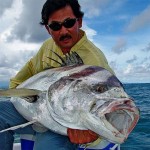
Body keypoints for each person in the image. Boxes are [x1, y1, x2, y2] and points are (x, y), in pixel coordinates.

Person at [0, 0, 114, 150]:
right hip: (37, 112)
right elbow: (31, 66)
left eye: (69, 22)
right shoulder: (48, 46)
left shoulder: (95, 61)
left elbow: (107, 108)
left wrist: (92, 135)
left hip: (63, 123)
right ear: (48, 29)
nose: (64, 31)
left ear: (79, 21)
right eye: (55, 26)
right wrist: (16, 91)